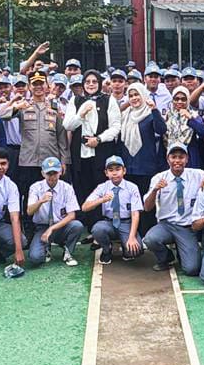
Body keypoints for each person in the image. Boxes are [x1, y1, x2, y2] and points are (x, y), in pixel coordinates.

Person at [142, 142, 204, 275]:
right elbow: (147, 207)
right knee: (150, 239)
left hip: (187, 227)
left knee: (192, 269)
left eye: (181, 157)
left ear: (187, 159)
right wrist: (155, 190)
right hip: (166, 225)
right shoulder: (159, 178)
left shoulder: (197, 174)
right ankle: (166, 257)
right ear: (168, 159)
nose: (177, 161)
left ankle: (183, 250)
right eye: (173, 157)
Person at [1, 71, 68, 195]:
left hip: (50, 159)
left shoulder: (54, 108)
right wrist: (17, 106)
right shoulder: (23, 106)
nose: (38, 87)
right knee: (28, 195)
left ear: (47, 86)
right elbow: (1, 116)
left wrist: (64, 160)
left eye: (41, 83)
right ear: (29, 87)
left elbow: (61, 136)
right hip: (28, 160)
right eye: (34, 84)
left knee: (50, 194)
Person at [63, 70, 121, 204]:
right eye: (87, 81)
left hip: (101, 151)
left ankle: (100, 220)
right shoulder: (76, 100)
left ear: (100, 83)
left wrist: (99, 139)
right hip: (80, 153)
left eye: (94, 81)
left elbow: (115, 126)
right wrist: (81, 114)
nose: (91, 84)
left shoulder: (108, 100)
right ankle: (83, 221)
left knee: (101, 188)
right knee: (80, 187)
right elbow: (68, 125)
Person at [117, 82, 167, 229]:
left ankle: (147, 232)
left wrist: (154, 110)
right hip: (129, 166)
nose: (134, 98)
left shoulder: (149, 114)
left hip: (146, 166)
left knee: (146, 202)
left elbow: (161, 129)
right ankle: (134, 232)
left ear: (143, 95)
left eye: (136, 94)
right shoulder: (125, 115)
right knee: (131, 202)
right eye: (131, 95)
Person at [24, 157, 85, 267]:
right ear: (43, 173)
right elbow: (29, 211)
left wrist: (51, 229)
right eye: (49, 173)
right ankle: (46, 248)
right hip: (42, 227)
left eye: (55, 173)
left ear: (60, 172)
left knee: (77, 225)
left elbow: (72, 215)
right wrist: (41, 201)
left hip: (60, 226)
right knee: (35, 258)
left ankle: (68, 252)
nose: (52, 176)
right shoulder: (35, 187)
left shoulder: (67, 188)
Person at [83, 154, 143, 265]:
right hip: (108, 222)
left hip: (126, 222)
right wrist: (101, 200)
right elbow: (85, 207)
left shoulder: (132, 187)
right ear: (106, 173)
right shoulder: (102, 187)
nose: (114, 173)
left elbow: (135, 214)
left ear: (124, 171)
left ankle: (126, 248)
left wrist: (132, 237)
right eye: (110, 170)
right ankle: (107, 248)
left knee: (136, 251)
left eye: (118, 169)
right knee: (97, 229)